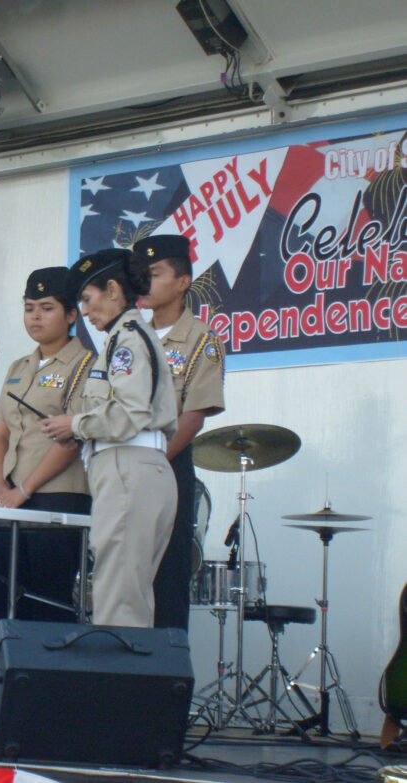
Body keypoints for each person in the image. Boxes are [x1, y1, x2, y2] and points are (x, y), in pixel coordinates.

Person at [42, 248, 177, 628]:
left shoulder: (127, 341)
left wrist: (75, 425)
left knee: (118, 605)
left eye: (88, 299)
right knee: (126, 598)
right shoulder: (125, 338)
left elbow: (130, 414)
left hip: (126, 468)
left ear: (114, 290)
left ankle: (120, 670)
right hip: (131, 468)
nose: (85, 311)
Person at [0, 267, 95, 628]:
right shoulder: (19, 366)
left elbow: (71, 441)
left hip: (57, 497)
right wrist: (0, 487)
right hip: (10, 501)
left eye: (47, 308)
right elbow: (0, 434)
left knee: (50, 606)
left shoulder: (86, 365)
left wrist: (23, 490)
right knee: (6, 604)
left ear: (71, 315)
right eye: (29, 308)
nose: (35, 316)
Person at [134, 234, 225, 630]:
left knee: (166, 586)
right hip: (125, 471)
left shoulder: (201, 339)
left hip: (166, 469)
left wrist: (151, 463)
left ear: (183, 282)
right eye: (141, 275)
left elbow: (194, 415)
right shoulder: (131, 337)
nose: (145, 283)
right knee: (125, 583)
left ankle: (166, 669)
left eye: (154, 274)